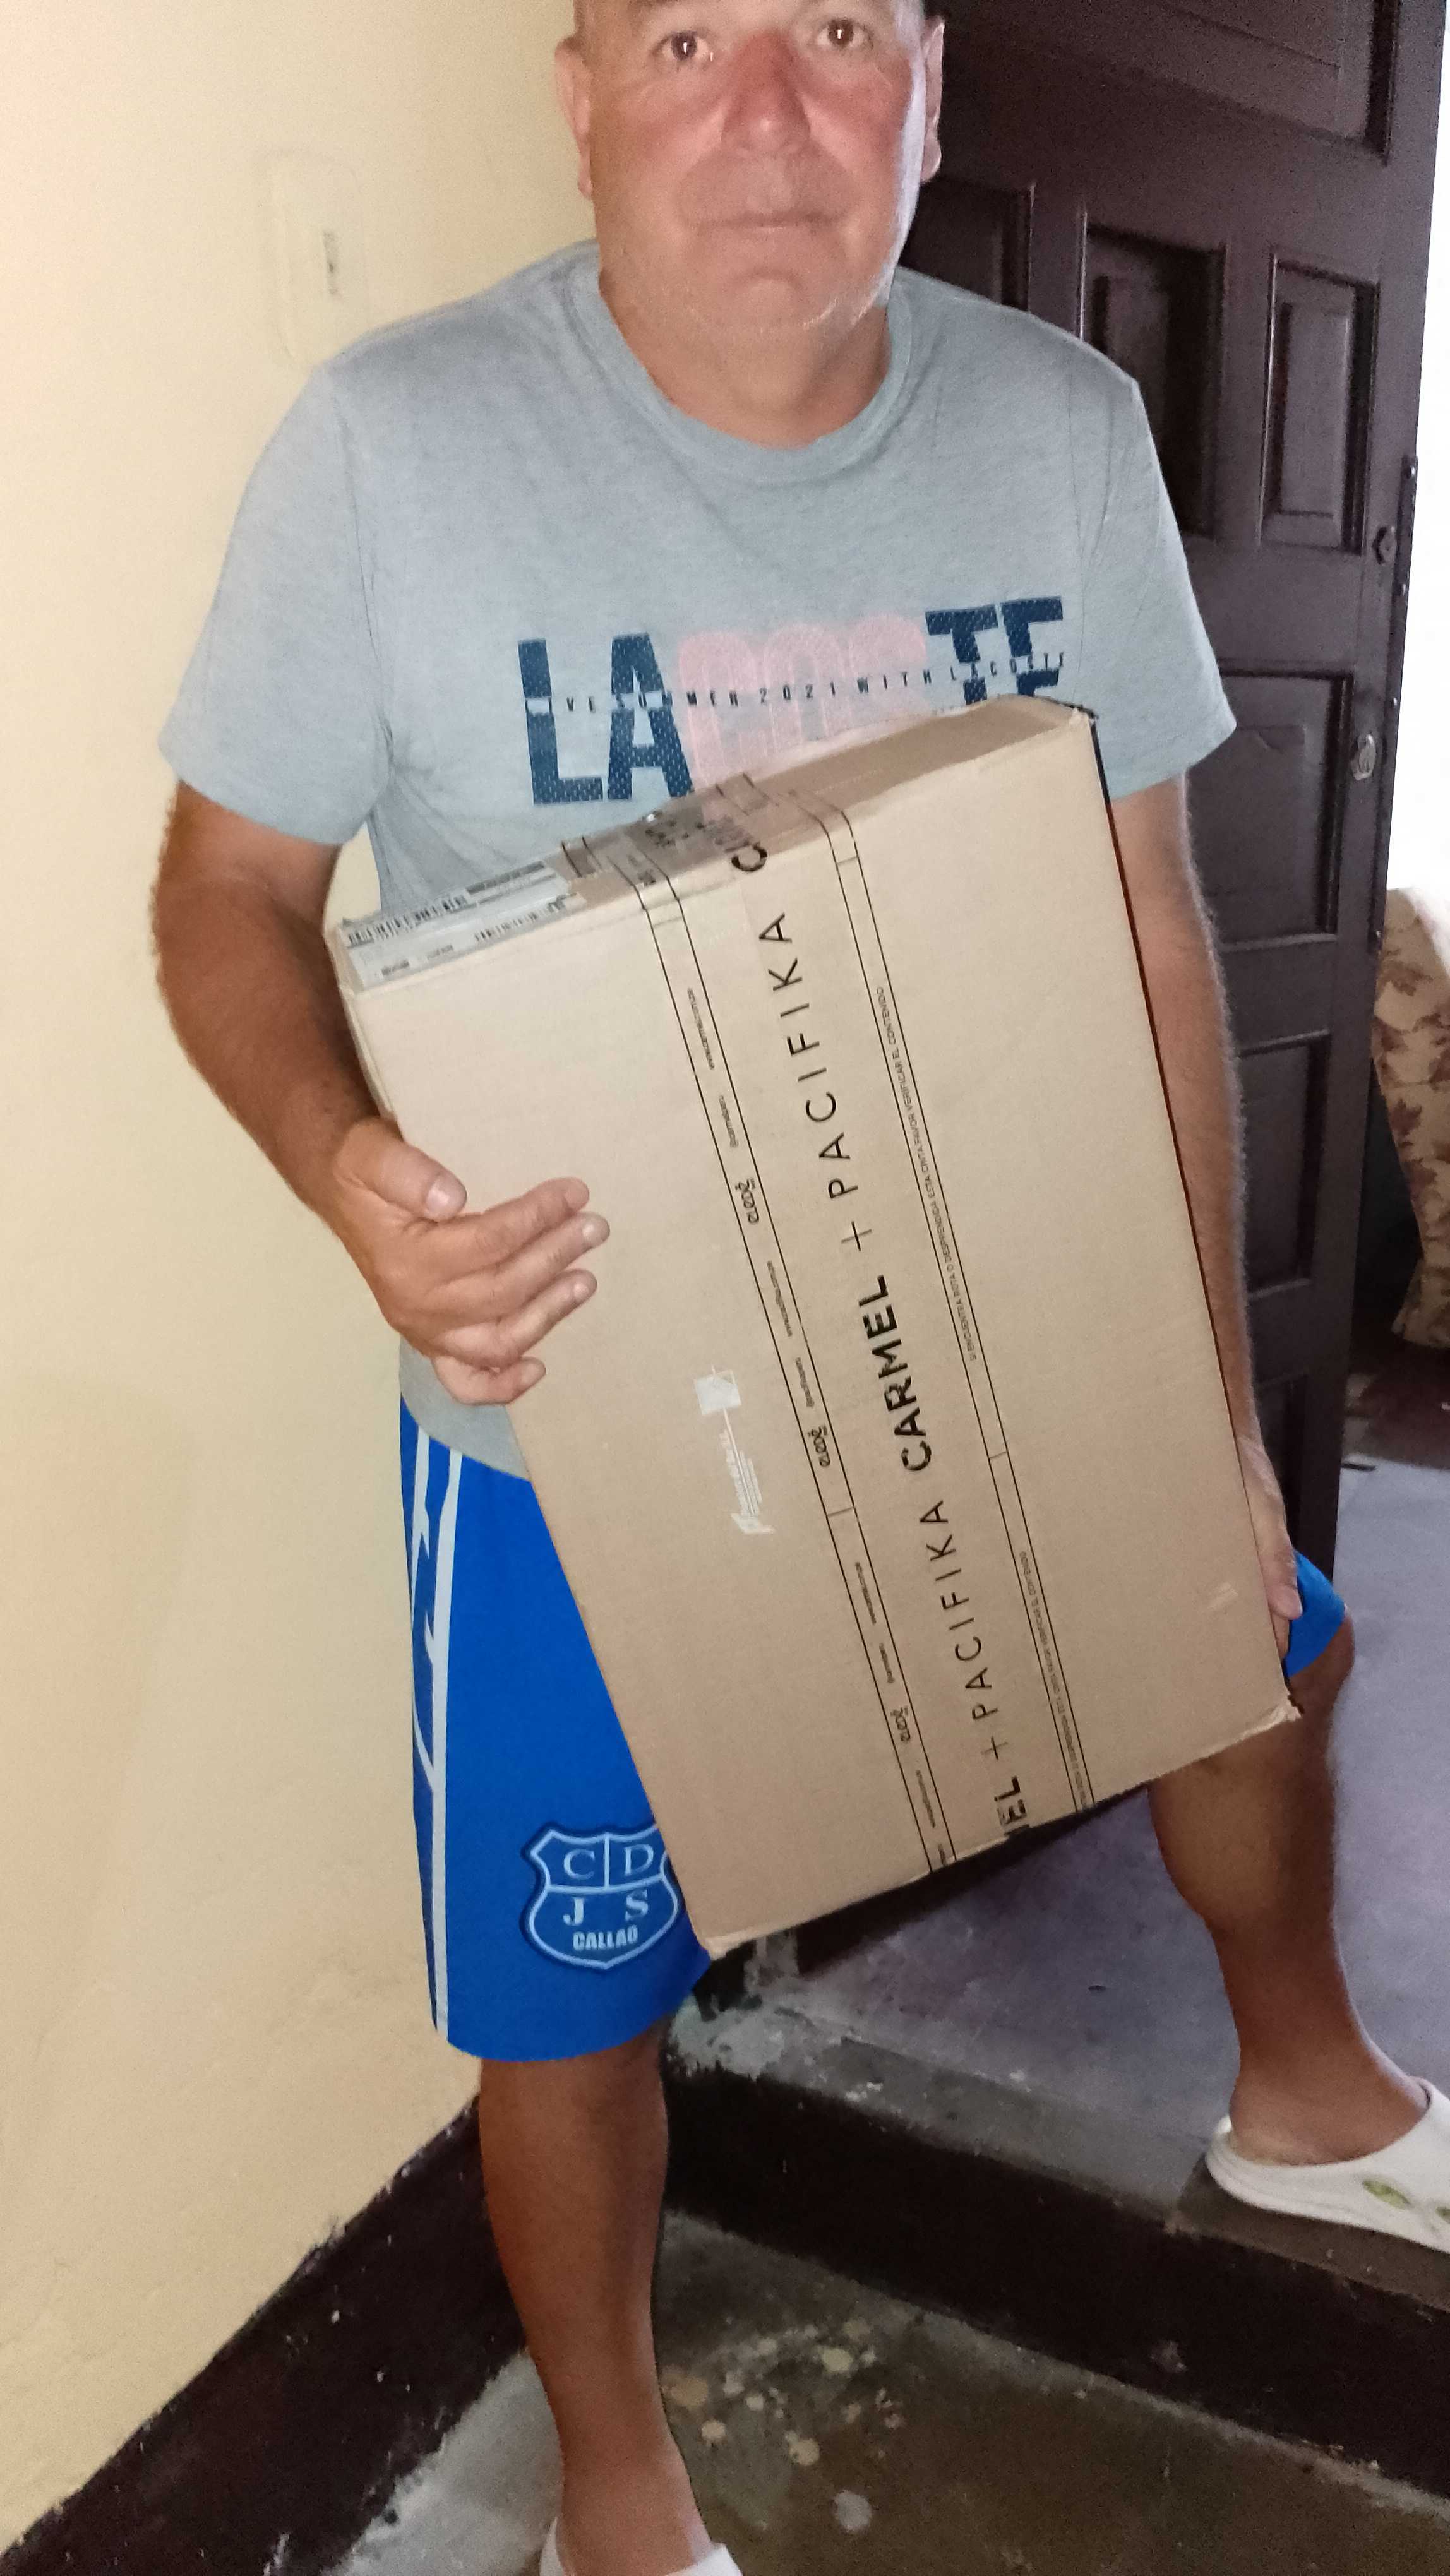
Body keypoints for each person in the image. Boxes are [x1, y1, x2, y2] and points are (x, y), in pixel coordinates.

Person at [152, 6, 1450, 2571]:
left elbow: (1146, 921)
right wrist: (346, 1168)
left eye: (840, 29)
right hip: (580, 1407)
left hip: (1004, 1295)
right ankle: (616, 2500)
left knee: (1244, 1649)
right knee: (570, 1995)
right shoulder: (398, 449)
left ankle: (1309, 2094)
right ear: (582, 92)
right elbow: (228, 891)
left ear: (931, 89)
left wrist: (1201, 1381)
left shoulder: (1058, 428)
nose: (768, 110)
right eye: (689, 36)